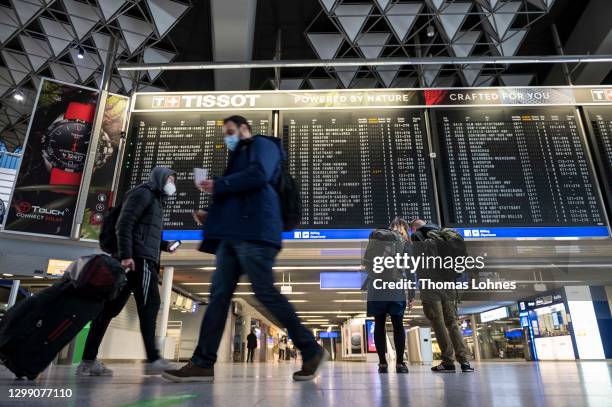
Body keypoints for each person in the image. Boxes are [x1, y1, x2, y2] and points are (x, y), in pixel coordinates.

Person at [163, 115, 327, 382]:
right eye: (225, 133)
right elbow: (240, 199)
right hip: (234, 234)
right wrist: (211, 214)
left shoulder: (263, 144)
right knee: (218, 297)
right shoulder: (237, 160)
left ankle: (310, 350)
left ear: (244, 129)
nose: (228, 137)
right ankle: (202, 363)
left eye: (231, 131)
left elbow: (260, 175)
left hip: (257, 232)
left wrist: (219, 184)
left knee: (265, 291)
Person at [76, 167, 178, 376]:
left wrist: (165, 245)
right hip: (138, 261)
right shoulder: (143, 193)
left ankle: (87, 361)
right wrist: (125, 255)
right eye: (171, 178)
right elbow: (124, 224)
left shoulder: (155, 199)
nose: (173, 183)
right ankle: (153, 359)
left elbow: (142, 233)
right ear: (160, 177)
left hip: (135, 258)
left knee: (107, 311)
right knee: (150, 304)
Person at [409, 219, 474, 373]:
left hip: (430, 284)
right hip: (449, 283)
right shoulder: (444, 234)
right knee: (452, 322)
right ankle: (464, 362)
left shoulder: (417, 236)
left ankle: (448, 362)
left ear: (414, 228)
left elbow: (417, 262)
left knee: (438, 321)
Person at [363, 217, 412, 374]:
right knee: (398, 324)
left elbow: (367, 264)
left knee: (379, 323)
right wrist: (411, 294)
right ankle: (400, 363)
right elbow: (410, 270)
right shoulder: (406, 244)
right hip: (395, 286)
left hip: (376, 286)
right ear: (405, 230)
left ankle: (382, 363)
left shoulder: (378, 239)